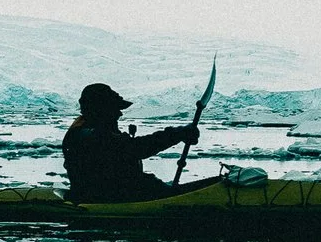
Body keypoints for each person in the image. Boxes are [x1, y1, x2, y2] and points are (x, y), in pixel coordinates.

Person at [62, 82, 218, 203]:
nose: (120, 113)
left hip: (123, 193)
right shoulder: (87, 136)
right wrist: (177, 134)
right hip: (107, 198)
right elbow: (134, 148)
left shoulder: (93, 131)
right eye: (115, 108)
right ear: (100, 110)